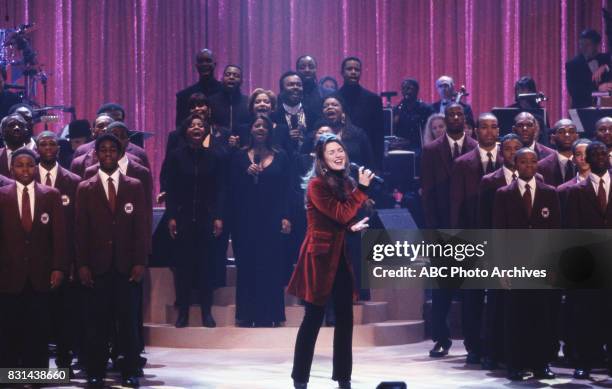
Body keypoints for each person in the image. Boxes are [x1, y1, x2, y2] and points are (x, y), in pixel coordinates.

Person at [288, 133, 374, 389]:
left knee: (345, 319)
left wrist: (351, 227)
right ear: (322, 160)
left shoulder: (346, 182)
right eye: (331, 152)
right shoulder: (316, 184)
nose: (338, 155)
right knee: (313, 319)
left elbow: (343, 219)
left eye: (340, 150)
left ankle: (344, 379)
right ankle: (300, 379)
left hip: (341, 256)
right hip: (320, 257)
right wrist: (362, 191)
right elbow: (340, 212)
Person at [75, 133, 147, 387]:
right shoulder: (85, 188)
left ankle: (129, 371)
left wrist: (140, 262)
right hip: (97, 267)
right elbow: (80, 230)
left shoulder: (134, 186)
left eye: (112, 150)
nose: (107, 154)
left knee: (127, 323)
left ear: (119, 154)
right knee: (97, 323)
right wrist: (82, 264)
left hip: (126, 267)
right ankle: (95, 371)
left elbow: (141, 227)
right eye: (102, 150)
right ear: (96, 154)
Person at [493, 148, 560, 381]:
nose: (528, 165)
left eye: (533, 161)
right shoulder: (503, 193)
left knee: (541, 317)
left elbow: (555, 233)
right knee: (516, 318)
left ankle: (541, 364)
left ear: (538, 164)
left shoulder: (549, 193)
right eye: (523, 161)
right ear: (515, 164)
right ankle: (516, 364)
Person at [0, 148, 66, 369]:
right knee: (9, 328)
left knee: (39, 328)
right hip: (8, 275)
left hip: (41, 273)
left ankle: (37, 374)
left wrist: (58, 268)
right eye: (20, 165)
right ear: (12, 169)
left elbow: (59, 236)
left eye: (29, 165)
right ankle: (9, 375)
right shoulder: (2, 196)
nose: (25, 169)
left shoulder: (51, 195)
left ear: (35, 168)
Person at [421, 103, 478, 358]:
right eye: (451, 114)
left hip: (470, 228)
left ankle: (472, 342)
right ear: (445, 119)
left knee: (471, 289)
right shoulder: (432, 150)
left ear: (465, 119)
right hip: (441, 226)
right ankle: (441, 339)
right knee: (442, 288)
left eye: (459, 114)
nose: (455, 118)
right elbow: (428, 191)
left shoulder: (476, 148)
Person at [230, 114, 291, 326]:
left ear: (270, 131)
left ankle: (269, 315)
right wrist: (244, 174)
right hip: (245, 219)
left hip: (272, 218)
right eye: (257, 125)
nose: (261, 129)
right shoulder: (239, 156)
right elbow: (230, 188)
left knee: (271, 265)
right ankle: (247, 315)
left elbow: (287, 189)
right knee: (247, 265)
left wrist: (286, 216)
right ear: (251, 129)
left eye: (265, 126)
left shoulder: (281, 155)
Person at [165, 113, 225, 328]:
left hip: (206, 217)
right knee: (183, 267)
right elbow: (169, 188)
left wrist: (218, 216)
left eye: (201, 125)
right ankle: (183, 312)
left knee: (205, 266)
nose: (197, 128)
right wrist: (171, 215)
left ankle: (207, 312)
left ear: (206, 131)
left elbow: (220, 189)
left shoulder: (215, 156)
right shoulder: (175, 156)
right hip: (182, 217)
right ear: (186, 130)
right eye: (192, 125)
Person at [564, 141, 612, 379]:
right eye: (596, 155)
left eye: (605, 153)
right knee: (587, 316)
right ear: (588, 160)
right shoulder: (576, 191)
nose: (602, 158)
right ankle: (585, 361)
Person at [35, 131, 82, 374]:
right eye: (43, 143)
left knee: (64, 315)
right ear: (37, 149)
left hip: (64, 260)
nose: (48, 147)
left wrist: (74, 262)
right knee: (38, 318)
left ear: (59, 149)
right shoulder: (24, 177)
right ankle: (36, 368)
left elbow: (78, 226)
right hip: (33, 261)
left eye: (52, 143)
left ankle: (65, 364)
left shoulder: (73, 181)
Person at [337, 57, 384, 169]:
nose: (353, 72)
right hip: (338, 156)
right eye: (349, 69)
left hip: (365, 157)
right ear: (342, 72)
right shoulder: (333, 99)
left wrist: (377, 165)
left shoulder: (373, 100)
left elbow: (378, 135)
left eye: (356, 69)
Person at [73, 103, 150, 170]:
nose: (110, 126)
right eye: (102, 125)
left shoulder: (138, 153)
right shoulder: (82, 151)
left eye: (117, 120)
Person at [271, 71, 321, 150]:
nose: (296, 87)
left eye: (299, 85)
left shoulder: (314, 114)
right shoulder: (273, 116)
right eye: (290, 85)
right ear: (281, 90)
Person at [566, 29, 612, 108]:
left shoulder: (607, 59)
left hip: (607, 109)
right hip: (583, 110)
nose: (583, 48)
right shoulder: (572, 65)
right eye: (581, 44)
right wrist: (598, 90)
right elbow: (574, 91)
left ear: (596, 45)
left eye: (587, 45)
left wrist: (606, 67)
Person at [176, 48, 223, 125]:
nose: (204, 64)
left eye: (208, 61)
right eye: (201, 61)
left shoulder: (225, 92)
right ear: (196, 66)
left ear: (214, 64)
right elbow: (180, 128)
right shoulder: (184, 96)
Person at [392, 78, 434, 152]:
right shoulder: (396, 109)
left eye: (409, 88)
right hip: (401, 148)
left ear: (416, 91)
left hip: (419, 147)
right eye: (403, 88)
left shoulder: (426, 108)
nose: (406, 91)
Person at [209, 65, 251, 134]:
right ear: (222, 79)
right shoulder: (212, 101)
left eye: (236, 75)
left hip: (242, 143)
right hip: (217, 143)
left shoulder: (248, 102)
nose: (231, 77)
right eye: (228, 75)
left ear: (241, 81)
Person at [537, 119, 579, 186]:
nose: (567, 135)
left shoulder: (586, 164)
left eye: (571, 131)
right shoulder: (541, 167)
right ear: (553, 138)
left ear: (577, 137)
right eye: (561, 132)